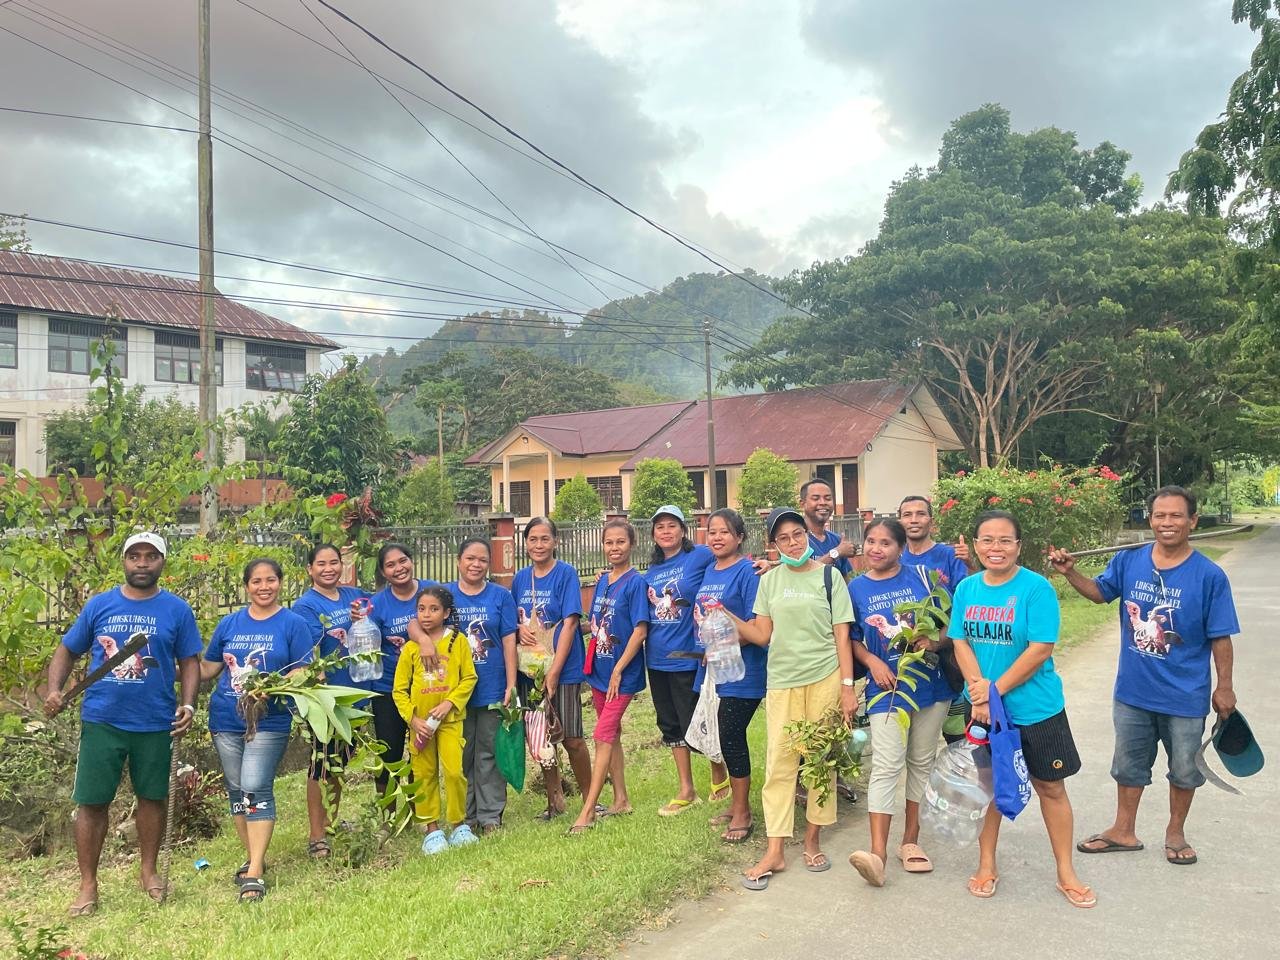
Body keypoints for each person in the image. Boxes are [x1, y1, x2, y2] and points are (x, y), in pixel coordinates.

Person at [1049, 485, 1239, 866]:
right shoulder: (1129, 561)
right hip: (1133, 691)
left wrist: (1225, 686)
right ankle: (1123, 829)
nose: (1167, 523)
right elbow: (1101, 594)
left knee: (1185, 769)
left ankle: (1175, 832)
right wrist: (1071, 573)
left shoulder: (1209, 576)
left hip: (1185, 696)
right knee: (1128, 765)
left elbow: (1220, 637)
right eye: (1160, 516)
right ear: (1150, 519)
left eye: (1176, 516)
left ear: (1192, 521)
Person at [44, 532, 201, 917]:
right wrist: (54, 689)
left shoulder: (177, 610)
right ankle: (88, 884)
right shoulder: (100, 605)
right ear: (124, 561)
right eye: (135, 556)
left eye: (151, 556)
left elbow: (191, 662)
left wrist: (189, 704)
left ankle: (148, 872)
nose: (142, 563)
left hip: (155, 722)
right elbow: (68, 648)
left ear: (163, 562)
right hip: (102, 720)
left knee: (153, 798)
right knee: (92, 802)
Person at [948, 510, 1094, 909]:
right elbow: (959, 641)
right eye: (987, 540)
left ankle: (1066, 872)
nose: (995, 548)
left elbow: (1040, 648)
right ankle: (986, 864)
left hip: (1036, 709)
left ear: (1018, 546)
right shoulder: (967, 589)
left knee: (1051, 786)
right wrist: (980, 695)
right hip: (982, 710)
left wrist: (991, 691)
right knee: (990, 787)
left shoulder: (1036, 589)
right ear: (976, 545)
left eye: (1004, 540)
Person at [735, 507, 857, 891]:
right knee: (780, 764)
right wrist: (725, 616)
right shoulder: (769, 582)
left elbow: (842, 636)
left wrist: (847, 686)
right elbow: (761, 635)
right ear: (774, 544)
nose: (792, 542)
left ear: (807, 535)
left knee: (820, 763)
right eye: (783, 538)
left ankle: (812, 841)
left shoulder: (829, 577)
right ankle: (775, 851)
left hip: (825, 678)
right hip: (783, 683)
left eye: (797, 534)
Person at [846, 518, 952, 886]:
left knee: (921, 762)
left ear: (900, 548)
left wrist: (933, 642)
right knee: (887, 765)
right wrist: (872, 661)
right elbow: (853, 637)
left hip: (930, 687)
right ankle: (877, 854)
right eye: (871, 541)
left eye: (886, 543)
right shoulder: (855, 588)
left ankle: (910, 841)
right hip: (886, 691)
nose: (877, 549)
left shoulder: (923, 578)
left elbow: (949, 624)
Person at [202, 558, 314, 902]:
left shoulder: (293, 624)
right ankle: (255, 859)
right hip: (225, 717)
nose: (264, 587)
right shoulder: (229, 623)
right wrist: (172, 668)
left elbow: (305, 671)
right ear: (246, 586)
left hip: (271, 719)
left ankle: (254, 873)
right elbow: (209, 667)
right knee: (237, 790)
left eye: (270, 580)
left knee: (254, 785)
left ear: (281, 582)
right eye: (256, 581)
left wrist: (275, 684)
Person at [569, 518, 650, 834]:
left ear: (632, 544)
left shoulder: (635, 583)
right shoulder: (602, 581)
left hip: (621, 675)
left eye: (620, 542)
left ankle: (587, 810)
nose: (614, 548)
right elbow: (598, 622)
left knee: (602, 735)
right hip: (599, 671)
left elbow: (640, 630)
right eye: (609, 542)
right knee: (611, 735)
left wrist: (618, 669)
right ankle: (621, 799)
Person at [291, 543, 369, 859]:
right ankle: (316, 834)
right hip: (328, 698)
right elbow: (311, 650)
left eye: (334, 562)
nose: (329, 568)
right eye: (321, 564)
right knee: (321, 764)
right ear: (310, 569)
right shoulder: (305, 607)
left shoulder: (353, 595)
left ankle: (331, 822)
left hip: (355, 692)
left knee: (338, 763)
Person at [693, 508, 766, 844]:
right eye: (712, 532)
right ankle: (736, 803)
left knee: (732, 733)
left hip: (744, 671)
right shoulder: (710, 569)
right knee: (724, 736)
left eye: (724, 532)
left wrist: (717, 642)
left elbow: (754, 627)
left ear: (739, 537)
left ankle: (742, 812)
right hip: (715, 670)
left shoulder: (748, 573)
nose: (717, 537)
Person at [643, 505, 719, 816]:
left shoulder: (699, 556)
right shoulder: (650, 572)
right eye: (659, 526)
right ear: (653, 534)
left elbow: (732, 562)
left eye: (671, 525)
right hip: (657, 658)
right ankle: (687, 789)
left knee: (701, 719)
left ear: (683, 530)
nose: (665, 531)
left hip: (688, 656)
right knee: (671, 725)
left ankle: (719, 773)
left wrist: (767, 565)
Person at [511, 517, 587, 820]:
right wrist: (518, 628)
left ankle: (589, 796)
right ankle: (554, 801)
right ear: (525, 543)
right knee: (541, 738)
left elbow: (570, 623)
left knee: (571, 737)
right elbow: (513, 619)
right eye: (533, 539)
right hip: (530, 671)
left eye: (545, 539)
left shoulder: (566, 574)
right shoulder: (520, 578)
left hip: (562, 669)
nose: (538, 545)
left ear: (555, 541)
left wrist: (555, 671)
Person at [393, 585, 478, 853]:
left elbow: (469, 678)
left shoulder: (458, 642)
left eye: (434, 609)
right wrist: (412, 718)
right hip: (421, 727)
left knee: (454, 772)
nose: (427, 615)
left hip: (450, 721)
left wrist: (449, 703)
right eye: (421, 609)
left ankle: (458, 825)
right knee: (424, 773)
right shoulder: (410, 649)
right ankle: (431, 829)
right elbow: (399, 690)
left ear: (446, 613)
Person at [446, 538, 518, 835]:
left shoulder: (500, 596)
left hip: (492, 685)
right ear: (459, 560)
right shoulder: (445, 595)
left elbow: (508, 641)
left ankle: (490, 817)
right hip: (455, 691)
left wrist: (511, 686)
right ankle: (465, 815)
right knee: (461, 754)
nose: (476, 565)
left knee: (490, 752)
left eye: (482, 560)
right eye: (470, 559)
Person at [898, 494, 973, 743]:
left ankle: (960, 780)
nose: (914, 520)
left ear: (931, 520)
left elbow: (966, 607)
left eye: (920, 514)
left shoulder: (950, 556)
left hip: (949, 654)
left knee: (957, 735)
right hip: (912, 658)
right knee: (917, 739)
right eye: (907, 515)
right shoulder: (895, 558)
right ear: (900, 521)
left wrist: (939, 640)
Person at [367, 542, 437, 797]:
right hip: (389, 689)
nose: (399, 568)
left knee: (420, 749)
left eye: (403, 560)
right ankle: (387, 815)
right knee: (390, 751)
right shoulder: (377, 605)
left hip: (428, 685)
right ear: (384, 573)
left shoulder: (432, 591)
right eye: (391, 565)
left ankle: (417, 808)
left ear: (411, 560)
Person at [800, 478, 857, 577]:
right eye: (816, 498)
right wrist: (836, 552)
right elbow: (802, 575)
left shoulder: (837, 540)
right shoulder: (796, 539)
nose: (823, 503)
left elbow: (844, 579)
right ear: (802, 504)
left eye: (828, 498)